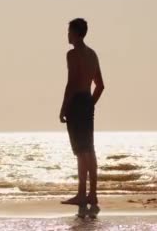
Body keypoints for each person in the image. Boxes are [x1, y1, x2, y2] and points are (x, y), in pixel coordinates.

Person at [59, 18, 105, 209]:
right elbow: (100, 86)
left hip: (77, 102)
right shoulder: (92, 54)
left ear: (77, 33)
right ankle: (91, 194)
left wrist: (63, 108)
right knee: (89, 150)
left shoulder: (72, 54)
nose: (67, 35)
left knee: (81, 151)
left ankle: (81, 194)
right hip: (86, 101)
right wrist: (91, 105)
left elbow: (71, 83)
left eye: (69, 31)